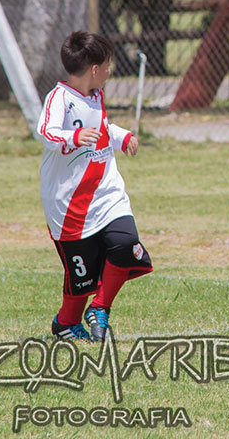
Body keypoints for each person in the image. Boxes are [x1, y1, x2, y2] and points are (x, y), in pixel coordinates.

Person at [39, 31, 151, 342]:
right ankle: (65, 324)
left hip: (106, 192)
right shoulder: (59, 98)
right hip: (68, 203)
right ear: (93, 70)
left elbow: (101, 128)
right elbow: (46, 133)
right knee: (81, 279)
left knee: (127, 244)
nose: (110, 70)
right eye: (108, 65)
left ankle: (100, 309)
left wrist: (121, 137)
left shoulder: (95, 95)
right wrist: (74, 138)